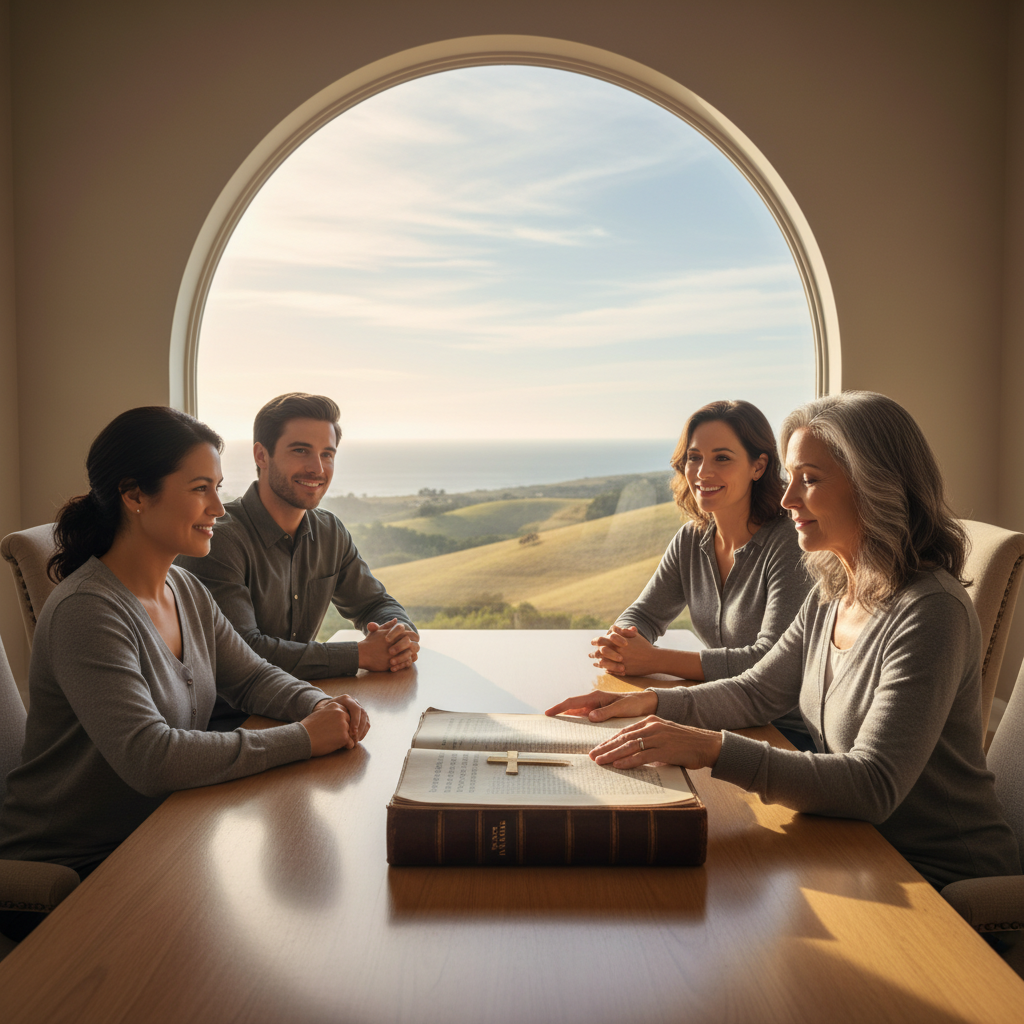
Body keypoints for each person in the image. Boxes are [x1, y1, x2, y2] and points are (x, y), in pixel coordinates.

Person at [548, 392, 1021, 889]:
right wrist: (649, 703)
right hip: (856, 849)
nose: (789, 497)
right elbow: (758, 690)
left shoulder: (930, 611)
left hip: (938, 881)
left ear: (874, 486)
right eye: (791, 477)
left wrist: (711, 748)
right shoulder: (834, 588)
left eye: (810, 480)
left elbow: (873, 785)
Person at [0, 407, 369, 940]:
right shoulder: (89, 610)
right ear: (134, 496)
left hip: (162, 830)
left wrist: (314, 704)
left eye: (218, 488)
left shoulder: (183, 588)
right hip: (79, 864)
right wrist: (304, 739)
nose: (219, 508)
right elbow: (152, 758)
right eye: (201, 489)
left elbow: (253, 677)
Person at [177, 393, 418, 730]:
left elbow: (374, 603)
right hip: (229, 726)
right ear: (261, 454)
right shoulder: (218, 540)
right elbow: (245, 652)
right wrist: (361, 655)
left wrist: (397, 635)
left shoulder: (330, 531)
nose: (317, 468)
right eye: (301, 450)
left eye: (327, 454)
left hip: (302, 709)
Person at [590, 400, 813, 744]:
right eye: (694, 457)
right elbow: (645, 613)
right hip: (722, 713)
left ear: (758, 466)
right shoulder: (692, 539)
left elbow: (767, 661)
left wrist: (655, 659)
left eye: (722, 458)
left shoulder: (789, 542)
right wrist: (621, 642)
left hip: (787, 732)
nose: (702, 472)